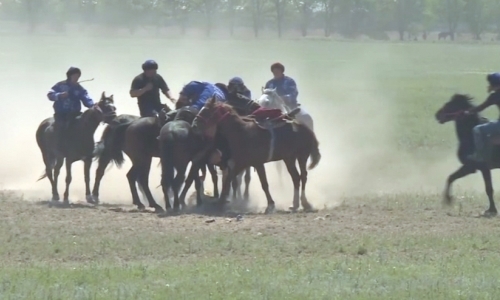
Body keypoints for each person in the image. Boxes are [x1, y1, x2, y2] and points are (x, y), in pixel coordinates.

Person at [47, 66, 95, 154]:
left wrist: (92, 105)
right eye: (75, 76)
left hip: (75, 114)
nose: (76, 78)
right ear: (70, 76)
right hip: (61, 114)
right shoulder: (60, 85)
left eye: (78, 76)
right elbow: (50, 94)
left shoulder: (79, 88)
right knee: (61, 127)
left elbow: (86, 98)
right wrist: (59, 95)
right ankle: (58, 147)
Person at [465, 72, 500, 162]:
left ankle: (479, 156)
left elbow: (481, 107)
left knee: (477, 129)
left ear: (494, 85)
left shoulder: (495, 96)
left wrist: (468, 111)